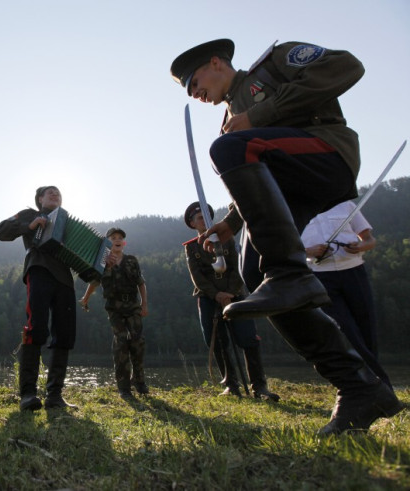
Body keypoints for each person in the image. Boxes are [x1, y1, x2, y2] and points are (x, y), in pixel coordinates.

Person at [170, 39, 402, 434]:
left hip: (327, 156)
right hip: (289, 186)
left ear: (216, 62)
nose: (195, 94)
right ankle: (358, 385)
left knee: (227, 149)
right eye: (189, 91)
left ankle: (291, 275)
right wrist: (231, 223)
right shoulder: (230, 119)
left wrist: (261, 115)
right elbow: (258, 187)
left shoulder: (274, 64)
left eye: (194, 82)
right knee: (256, 278)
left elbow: (348, 66)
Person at [183, 202, 279, 401]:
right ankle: (231, 384)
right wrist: (216, 295)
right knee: (217, 340)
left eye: (208, 216)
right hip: (209, 298)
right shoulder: (192, 247)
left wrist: (230, 292)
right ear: (193, 224)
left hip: (235, 294)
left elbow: (238, 266)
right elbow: (197, 276)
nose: (205, 220)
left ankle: (259, 386)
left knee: (248, 338)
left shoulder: (227, 238)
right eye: (200, 218)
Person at [0, 186, 77, 411]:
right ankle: (28, 394)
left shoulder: (68, 222)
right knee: (36, 328)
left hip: (65, 280)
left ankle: (55, 396)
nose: (55, 195)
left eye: (58, 193)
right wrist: (26, 226)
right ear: (39, 198)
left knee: (65, 334)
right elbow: (1, 231)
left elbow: (82, 254)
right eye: (49, 192)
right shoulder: (30, 214)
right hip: (39, 270)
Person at [302, 200, 391, 388]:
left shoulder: (346, 205)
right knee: (345, 329)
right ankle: (381, 385)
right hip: (320, 276)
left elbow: (369, 240)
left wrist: (360, 246)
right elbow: (287, 249)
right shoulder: (295, 210)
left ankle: (370, 384)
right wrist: (308, 251)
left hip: (354, 272)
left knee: (366, 325)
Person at [79, 227, 149, 400]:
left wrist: (144, 304)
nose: (117, 240)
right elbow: (94, 282)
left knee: (137, 341)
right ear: (107, 243)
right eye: (113, 238)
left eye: (120, 238)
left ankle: (139, 381)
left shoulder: (132, 260)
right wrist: (85, 298)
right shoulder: (101, 261)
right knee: (121, 341)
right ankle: (123, 386)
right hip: (114, 308)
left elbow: (141, 283)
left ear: (123, 243)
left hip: (133, 305)